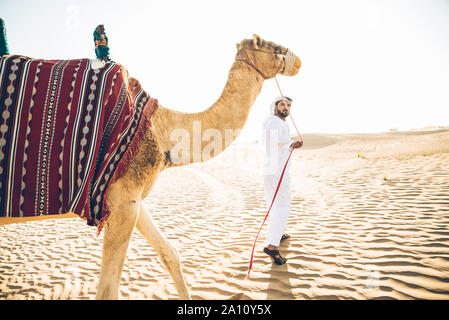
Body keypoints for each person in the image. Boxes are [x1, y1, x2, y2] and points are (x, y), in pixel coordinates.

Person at [259, 96, 303, 265]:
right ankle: (272, 246)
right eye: (283, 104)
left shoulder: (277, 122)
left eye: (289, 105)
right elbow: (275, 139)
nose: (286, 107)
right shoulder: (274, 122)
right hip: (277, 170)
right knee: (283, 205)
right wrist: (292, 143)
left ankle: (277, 234)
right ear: (275, 106)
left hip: (273, 169)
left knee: (275, 203)